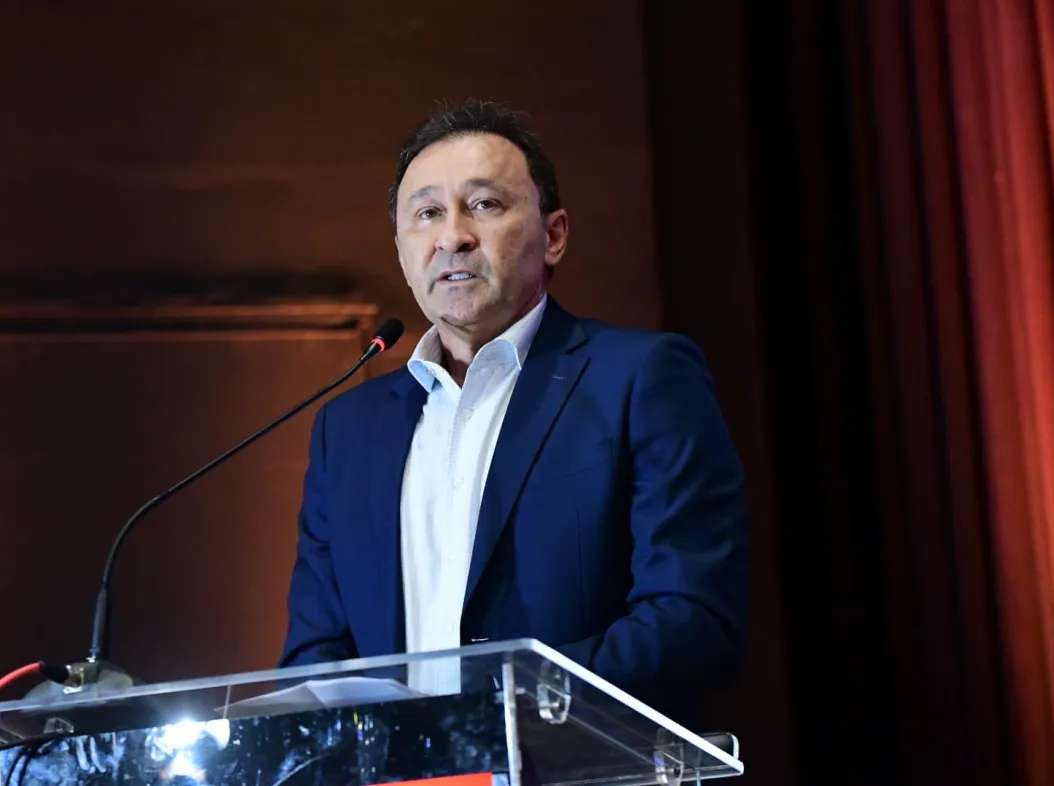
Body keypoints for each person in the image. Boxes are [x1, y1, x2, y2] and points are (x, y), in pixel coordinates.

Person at [279, 99, 748, 729]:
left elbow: (693, 620)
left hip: (580, 762)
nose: (453, 236)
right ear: (402, 252)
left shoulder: (639, 378)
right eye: (427, 214)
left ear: (554, 236)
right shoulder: (348, 429)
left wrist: (497, 713)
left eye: (484, 204)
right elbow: (315, 660)